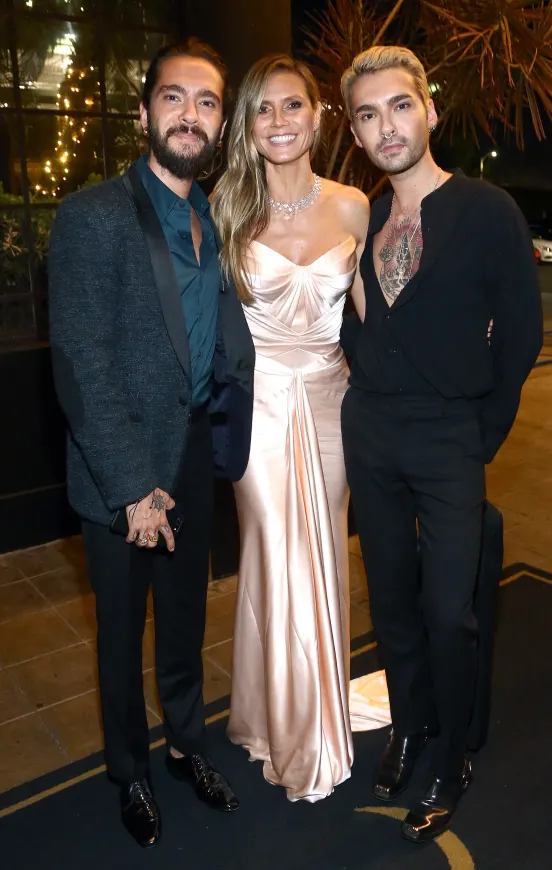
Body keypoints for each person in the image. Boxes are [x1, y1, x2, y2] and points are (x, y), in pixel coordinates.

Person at [48, 38, 254, 848]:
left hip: (194, 449)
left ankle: (185, 745)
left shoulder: (217, 218)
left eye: (206, 102)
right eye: (174, 97)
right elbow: (81, 362)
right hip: (123, 469)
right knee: (120, 634)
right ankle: (129, 769)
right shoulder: (93, 213)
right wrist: (134, 487)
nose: (190, 115)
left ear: (220, 123)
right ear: (143, 113)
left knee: (183, 619)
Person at [339, 46, 543, 842]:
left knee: (448, 611)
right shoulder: (361, 217)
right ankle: (411, 720)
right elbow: (353, 321)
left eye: (399, 105)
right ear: (355, 131)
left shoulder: (487, 210)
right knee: (391, 601)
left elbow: (521, 335)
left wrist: (478, 434)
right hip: (371, 430)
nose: (386, 126)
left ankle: (453, 754)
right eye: (368, 114)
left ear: (429, 110)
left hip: (450, 433)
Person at [212, 54, 387, 804]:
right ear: (246, 126)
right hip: (258, 410)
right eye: (263, 108)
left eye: (293, 105)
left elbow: (375, 319)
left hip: (332, 402)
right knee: (274, 550)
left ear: (318, 116)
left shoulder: (353, 207)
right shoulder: (224, 209)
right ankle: (283, 723)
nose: (279, 121)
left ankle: (314, 713)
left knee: (325, 554)